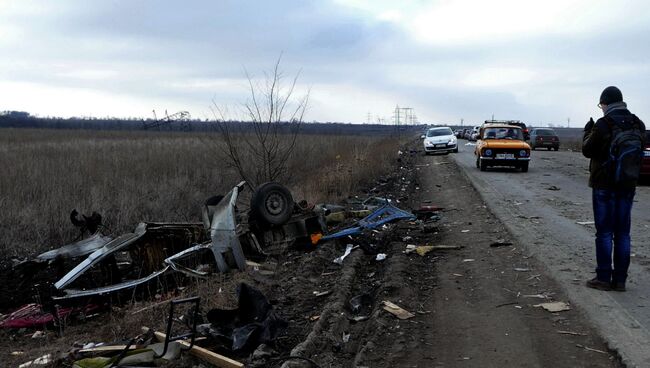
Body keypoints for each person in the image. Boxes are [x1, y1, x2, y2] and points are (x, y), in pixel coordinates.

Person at [582, 86, 646, 291]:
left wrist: (587, 132)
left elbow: (587, 151)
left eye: (601, 104)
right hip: (627, 185)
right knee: (623, 233)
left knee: (604, 233)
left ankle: (603, 278)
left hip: (604, 186)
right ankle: (620, 280)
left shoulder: (603, 124)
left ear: (606, 103)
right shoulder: (637, 123)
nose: (601, 108)